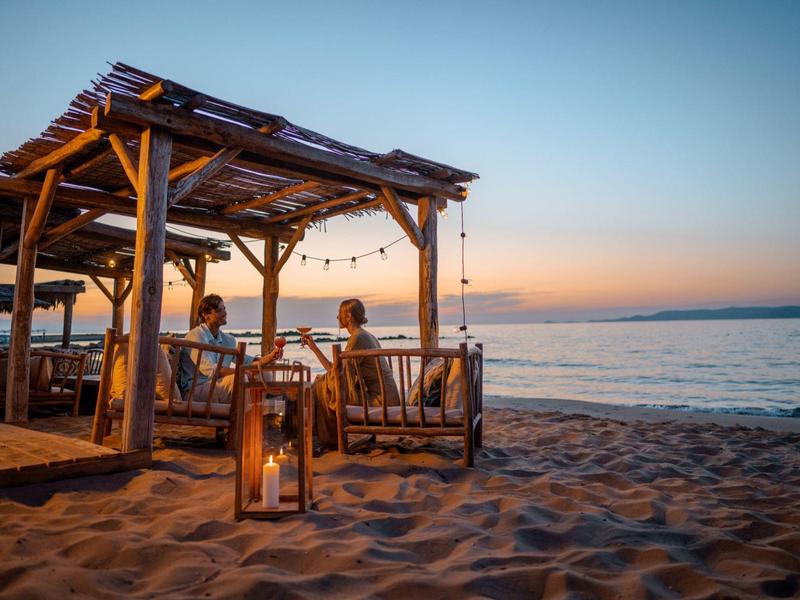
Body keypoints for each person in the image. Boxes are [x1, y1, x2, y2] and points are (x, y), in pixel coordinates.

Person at [301, 298, 400, 450]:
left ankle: (325, 440)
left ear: (348, 316)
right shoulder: (366, 335)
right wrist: (313, 347)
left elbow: (338, 376)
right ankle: (322, 438)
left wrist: (325, 381)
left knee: (319, 388)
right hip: (389, 396)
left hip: (380, 401)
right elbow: (339, 372)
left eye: (339, 313)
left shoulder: (357, 338)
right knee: (322, 383)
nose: (337, 317)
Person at [180, 294, 283, 403]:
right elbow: (210, 370)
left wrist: (271, 357)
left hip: (217, 385)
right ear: (206, 315)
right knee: (239, 378)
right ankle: (245, 417)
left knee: (265, 374)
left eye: (224, 309)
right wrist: (240, 372)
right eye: (219, 310)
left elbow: (248, 362)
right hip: (195, 390)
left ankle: (256, 413)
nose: (224, 313)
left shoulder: (228, 340)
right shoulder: (196, 336)